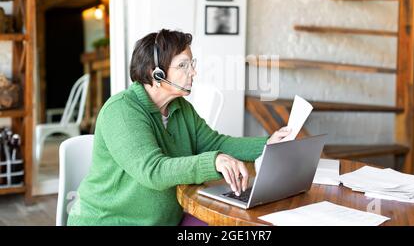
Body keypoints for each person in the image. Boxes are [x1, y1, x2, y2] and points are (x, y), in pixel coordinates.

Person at [67, 29, 291, 226]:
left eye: (192, 64)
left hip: (166, 221)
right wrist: (213, 161)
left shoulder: (180, 108)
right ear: (156, 74)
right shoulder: (122, 111)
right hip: (110, 221)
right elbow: (153, 171)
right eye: (183, 65)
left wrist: (267, 144)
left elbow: (215, 143)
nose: (193, 72)